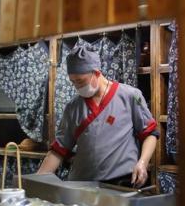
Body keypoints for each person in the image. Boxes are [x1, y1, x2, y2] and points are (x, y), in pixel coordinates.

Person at [37, 46, 159, 187]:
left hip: (121, 182)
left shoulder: (130, 96)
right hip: (82, 185)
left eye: (81, 81)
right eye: (73, 82)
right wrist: (36, 183)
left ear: (96, 73)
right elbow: (59, 149)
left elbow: (150, 133)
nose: (77, 86)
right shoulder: (73, 107)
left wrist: (142, 163)